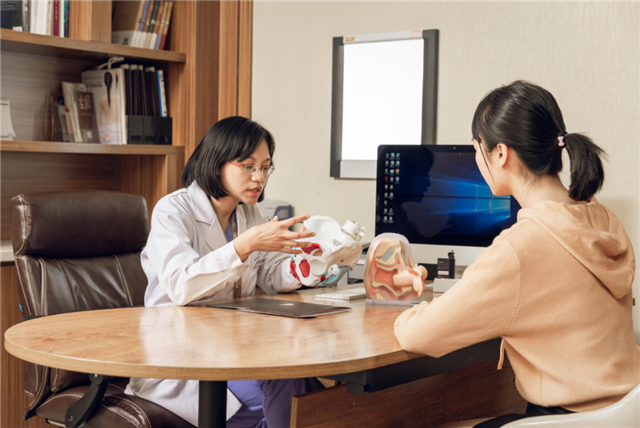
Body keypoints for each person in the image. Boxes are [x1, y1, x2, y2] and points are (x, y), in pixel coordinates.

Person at [394, 81, 639, 427]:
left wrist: (407, 303)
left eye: (477, 148)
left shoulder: (521, 246)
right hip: (626, 413)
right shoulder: (603, 219)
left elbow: (417, 336)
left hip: (562, 420)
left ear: (500, 153)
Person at [125, 116, 324, 427]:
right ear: (217, 163)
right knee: (286, 387)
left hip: (232, 346)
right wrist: (243, 246)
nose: (259, 177)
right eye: (248, 166)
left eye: (265, 167)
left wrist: (313, 263)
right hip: (183, 355)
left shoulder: (249, 213)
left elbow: (269, 274)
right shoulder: (173, 210)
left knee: (306, 383)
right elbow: (180, 286)